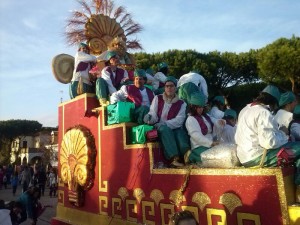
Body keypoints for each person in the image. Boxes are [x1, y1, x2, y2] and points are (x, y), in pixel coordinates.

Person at [234, 85, 300, 186]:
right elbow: (269, 142)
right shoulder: (264, 112)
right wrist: (283, 133)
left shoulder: (245, 109)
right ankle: (298, 189)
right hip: (257, 157)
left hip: (244, 156)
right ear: (273, 102)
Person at [144, 76, 190, 167]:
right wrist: (149, 118)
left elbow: (179, 120)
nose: (169, 88)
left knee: (180, 134)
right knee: (164, 129)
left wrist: (165, 123)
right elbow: (153, 113)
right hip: (159, 127)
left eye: (171, 86)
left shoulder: (182, 103)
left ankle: (187, 157)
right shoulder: (157, 98)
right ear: (164, 87)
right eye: (167, 86)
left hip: (173, 127)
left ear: (175, 88)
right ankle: (174, 158)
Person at [185, 92, 224, 164]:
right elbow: (196, 136)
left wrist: (220, 122)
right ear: (192, 106)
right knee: (214, 161)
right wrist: (211, 143)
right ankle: (191, 155)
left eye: (202, 107)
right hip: (199, 146)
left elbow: (214, 120)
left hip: (210, 145)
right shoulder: (190, 119)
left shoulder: (205, 116)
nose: (201, 109)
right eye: (198, 107)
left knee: (222, 157)